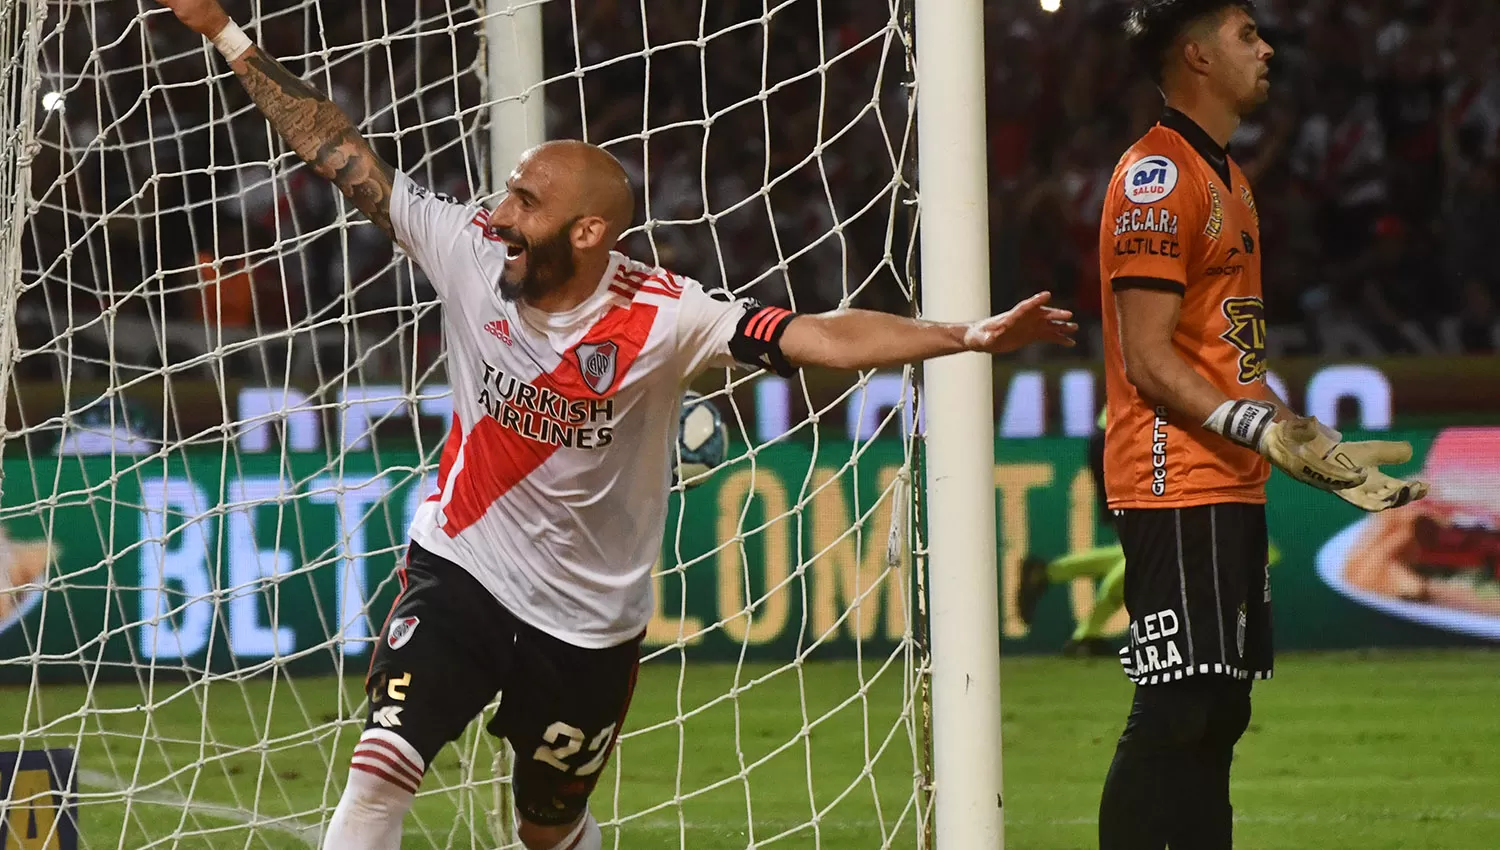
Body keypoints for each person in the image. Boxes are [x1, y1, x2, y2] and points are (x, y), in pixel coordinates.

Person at [152, 2, 1079, 848]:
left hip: (588, 622)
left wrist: (962, 333)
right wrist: (226, 34)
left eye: (525, 203)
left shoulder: (664, 314)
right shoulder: (466, 249)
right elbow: (337, 150)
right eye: (507, 194)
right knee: (380, 774)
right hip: (462, 570)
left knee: (547, 831)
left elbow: (817, 334)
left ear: (589, 233)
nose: (499, 215)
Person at [1097, 2, 1427, 848]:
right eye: (1248, 35)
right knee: (1178, 707)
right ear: (1197, 57)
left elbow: (1220, 359)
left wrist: (1311, 445)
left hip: (1226, 474)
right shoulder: (1158, 176)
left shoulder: (1228, 178)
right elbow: (1147, 357)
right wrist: (1257, 423)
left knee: (1221, 710)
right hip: (1175, 473)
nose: (1267, 48)